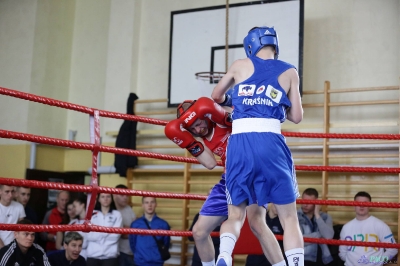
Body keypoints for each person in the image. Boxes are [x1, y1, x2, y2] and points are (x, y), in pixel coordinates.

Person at [211, 26, 304, 266]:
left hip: (240, 142)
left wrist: (236, 100)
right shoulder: (290, 71)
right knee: (289, 218)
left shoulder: (239, 65)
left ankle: (223, 255)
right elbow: (297, 116)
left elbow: (216, 95)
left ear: (250, 44)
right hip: (271, 142)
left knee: (235, 212)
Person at [165, 97, 287, 266]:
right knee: (199, 232)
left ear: (206, 115)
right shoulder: (201, 139)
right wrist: (189, 143)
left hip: (253, 170)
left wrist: (223, 114)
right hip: (229, 178)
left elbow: (243, 120)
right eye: (193, 128)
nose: (198, 129)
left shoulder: (221, 117)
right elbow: (210, 163)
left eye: (199, 123)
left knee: (257, 223)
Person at [339, 191, 398, 266]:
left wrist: (376, 262)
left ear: (370, 205)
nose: (361, 206)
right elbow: (342, 253)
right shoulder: (346, 227)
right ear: (354, 205)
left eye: (365, 203)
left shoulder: (380, 225)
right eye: (358, 203)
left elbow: (393, 249)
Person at [129, 196, 171, 266]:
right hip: (140, 262)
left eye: (152, 202)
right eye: (146, 202)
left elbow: (166, 244)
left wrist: (158, 257)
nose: (149, 205)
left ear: (156, 204)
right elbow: (132, 243)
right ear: (142, 205)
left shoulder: (164, 224)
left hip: (157, 262)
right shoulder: (135, 224)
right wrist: (139, 256)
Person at [298, 188, 334, 265]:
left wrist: (317, 214)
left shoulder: (325, 217)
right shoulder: (295, 216)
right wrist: (320, 235)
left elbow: (328, 236)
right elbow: (298, 240)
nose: (305, 205)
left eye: (309, 202)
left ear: (316, 203)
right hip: (302, 259)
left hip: (323, 259)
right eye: (304, 201)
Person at [86, 193, 122, 266]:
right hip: (92, 256)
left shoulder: (117, 214)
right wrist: (106, 233)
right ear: (98, 199)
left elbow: (115, 236)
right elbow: (88, 234)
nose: (105, 199)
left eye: (108, 196)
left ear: (111, 199)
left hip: (110, 256)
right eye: (102, 197)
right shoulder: (91, 214)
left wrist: (98, 233)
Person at [188, 188, 221, 266]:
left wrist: (203, 235)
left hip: (217, 258)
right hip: (198, 258)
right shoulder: (199, 216)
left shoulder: (225, 217)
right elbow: (190, 237)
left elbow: (224, 238)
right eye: (209, 196)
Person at [113, 184, 136, 266]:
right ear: (115, 195)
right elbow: (123, 234)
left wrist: (127, 228)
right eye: (122, 195)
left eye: (127, 195)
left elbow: (136, 228)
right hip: (119, 253)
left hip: (131, 251)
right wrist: (132, 230)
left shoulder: (129, 209)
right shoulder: (112, 211)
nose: (125, 197)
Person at [66, 194, 89, 259]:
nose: (73, 209)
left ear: (82, 205)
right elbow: (67, 242)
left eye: (75, 206)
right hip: (75, 258)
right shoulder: (72, 223)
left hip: (92, 259)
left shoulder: (95, 220)